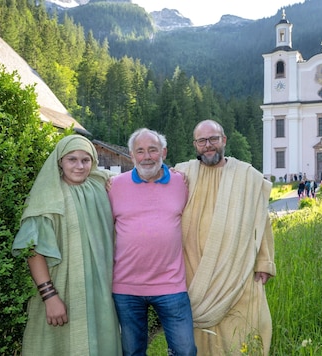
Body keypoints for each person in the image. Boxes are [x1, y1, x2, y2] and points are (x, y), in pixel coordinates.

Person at [12, 135, 122, 355]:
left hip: (100, 293)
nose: (79, 166)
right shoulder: (47, 194)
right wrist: (50, 297)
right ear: (59, 161)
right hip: (61, 290)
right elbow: (33, 251)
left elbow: (142, 179)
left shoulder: (101, 185)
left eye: (85, 160)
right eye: (72, 159)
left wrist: (175, 174)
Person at [174, 120, 276, 355]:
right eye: (202, 141)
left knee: (244, 332)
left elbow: (262, 220)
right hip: (195, 271)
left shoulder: (247, 175)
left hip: (238, 270)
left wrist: (264, 262)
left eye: (213, 139)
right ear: (195, 144)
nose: (208, 145)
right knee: (200, 341)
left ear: (224, 140)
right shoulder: (182, 173)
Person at [108, 128, 196, 356]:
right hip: (126, 286)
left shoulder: (181, 183)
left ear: (164, 152)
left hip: (171, 284)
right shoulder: (114, 185)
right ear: (131, 155)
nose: (147, 156)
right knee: (132, 351)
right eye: (140, 151)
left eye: (153, 150)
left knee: (185, 350)